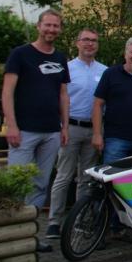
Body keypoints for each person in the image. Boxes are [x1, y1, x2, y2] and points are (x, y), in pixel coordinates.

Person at [46, 29, 107, 239]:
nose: (90, 44)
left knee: (85, 178)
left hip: (94, 129)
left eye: (94, 40)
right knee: (64, 175)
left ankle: (80, 220)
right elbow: (58, 98)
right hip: (70, 127)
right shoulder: (67, 68)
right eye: (86, 40)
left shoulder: (104, 71)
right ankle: (54, 222)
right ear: (77, 43)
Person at [92, 37, 132, 164]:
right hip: (116, 140)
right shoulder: (110, 73)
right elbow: (97, 104)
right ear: (125, 54)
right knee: (112, 174)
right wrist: (97, 134)